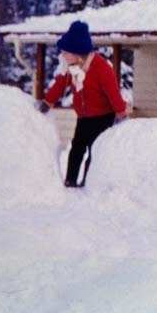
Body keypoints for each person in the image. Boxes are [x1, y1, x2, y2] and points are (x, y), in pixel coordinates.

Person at [35, 20, 129, 187]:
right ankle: (70, 180)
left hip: (103, 117)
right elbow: (59, 85)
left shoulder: (101, 68)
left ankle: (89, 182)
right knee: (77, 148)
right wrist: (48, 102)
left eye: (66, 52)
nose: (62, 55)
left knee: (95, 150)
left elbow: (113, 93)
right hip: (84, 117)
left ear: (78, 53)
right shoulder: (71, 67)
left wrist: (121, 113)